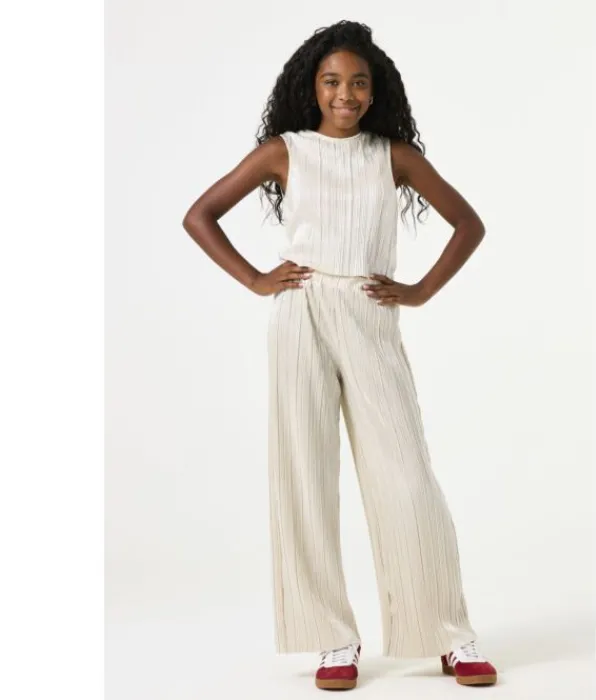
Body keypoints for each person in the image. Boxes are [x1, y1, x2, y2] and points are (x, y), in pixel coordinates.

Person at [183, 19, 497, 691]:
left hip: (370, 312)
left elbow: (468, 224)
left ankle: (448, 632)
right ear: (312, 87)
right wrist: (256, 279)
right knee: (304, 471)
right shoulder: (284, 151)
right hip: (300, 314)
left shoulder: (394, 155)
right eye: (331, 82)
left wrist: (418, 291)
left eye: (358, 83)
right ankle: (331, 638)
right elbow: (199, 215)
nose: (345, 95)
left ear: (375, 91)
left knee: (406, 476)